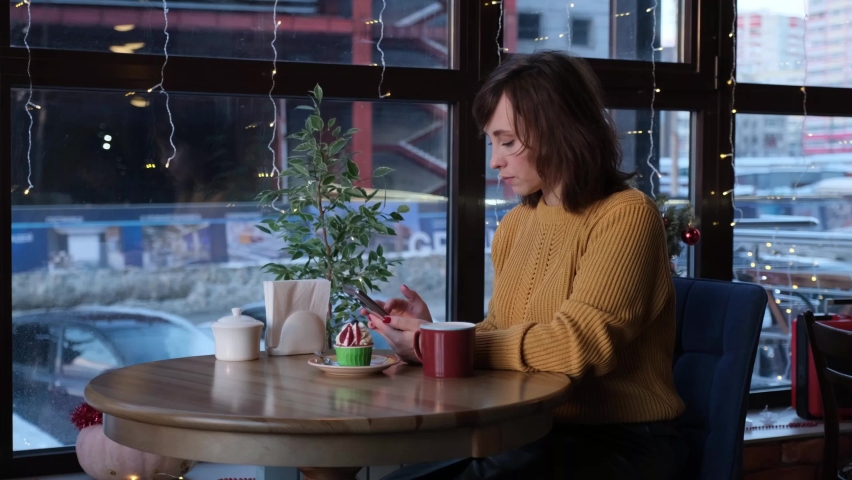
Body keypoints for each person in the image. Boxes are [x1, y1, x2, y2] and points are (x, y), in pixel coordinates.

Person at [364, 50, 687, 480]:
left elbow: (577, 348)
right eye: (492, 142)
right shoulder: (517, 224)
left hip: (618, 440)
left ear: (560, 130)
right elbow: (501, 331)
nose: (495, 160)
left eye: (508, 142)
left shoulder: (626, 215)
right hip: (526, 429)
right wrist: (435, 335)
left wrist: (441, 345)